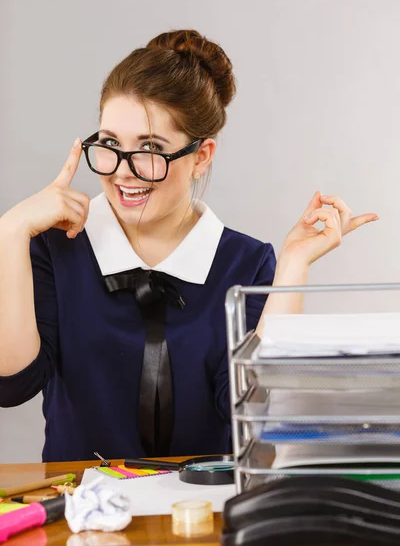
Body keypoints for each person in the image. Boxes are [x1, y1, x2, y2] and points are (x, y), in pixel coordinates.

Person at [0, 30, 378, 462]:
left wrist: (293, 265)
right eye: (109, 145)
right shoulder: (57, 247)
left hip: (205, 510)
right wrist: (9, 234)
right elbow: (13, 384)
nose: (124, 172)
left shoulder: (247, 262)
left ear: (201, 156)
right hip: (80, 514)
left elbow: (257, 411)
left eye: (151, 148)